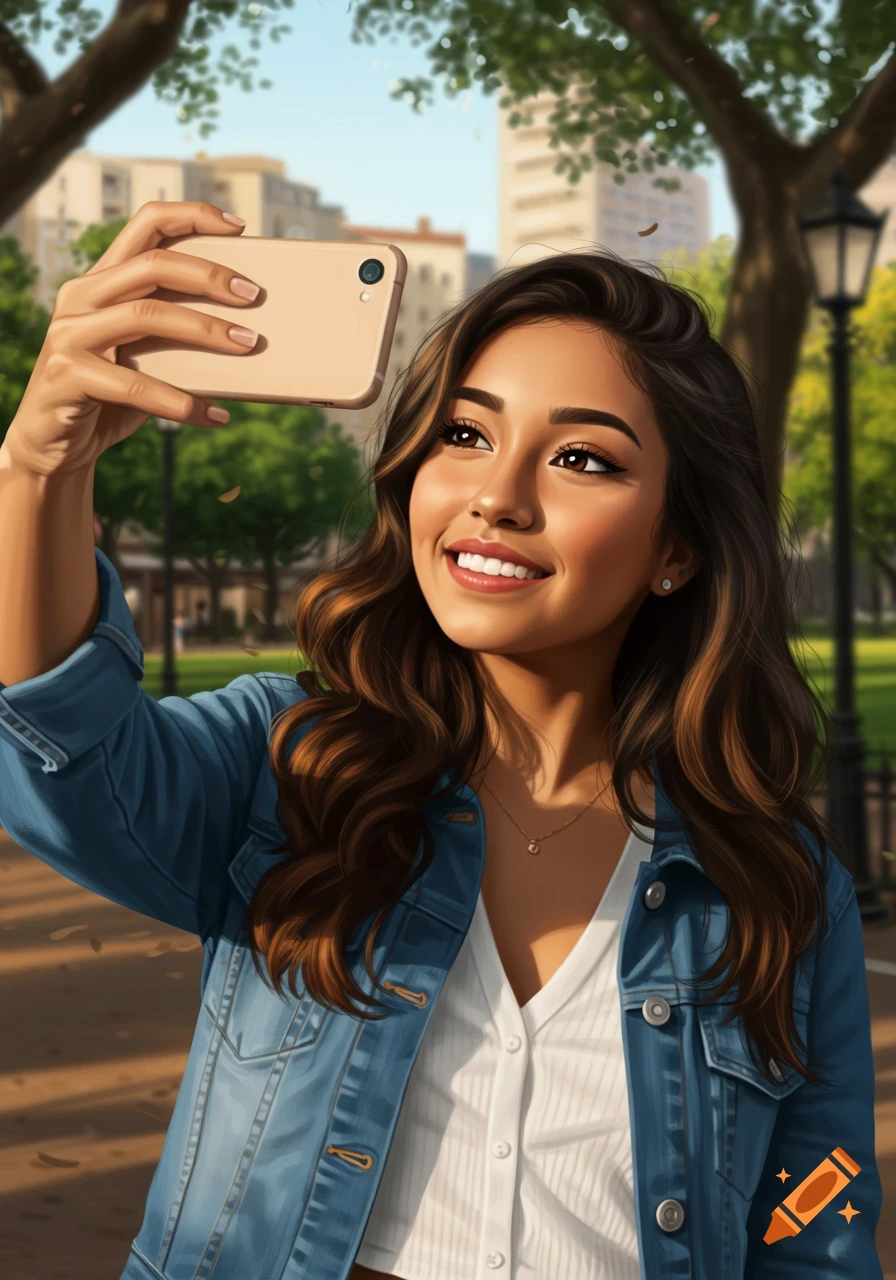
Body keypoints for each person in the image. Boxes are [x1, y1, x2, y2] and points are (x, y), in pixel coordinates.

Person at [0, 200, 881, 1280]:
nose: (496, 496)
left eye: (581, 459)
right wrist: (38, 470)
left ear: (678, 549)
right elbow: (61, 754)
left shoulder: (782, 891)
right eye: (464, 435)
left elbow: (814, 1234)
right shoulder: (292, 767)